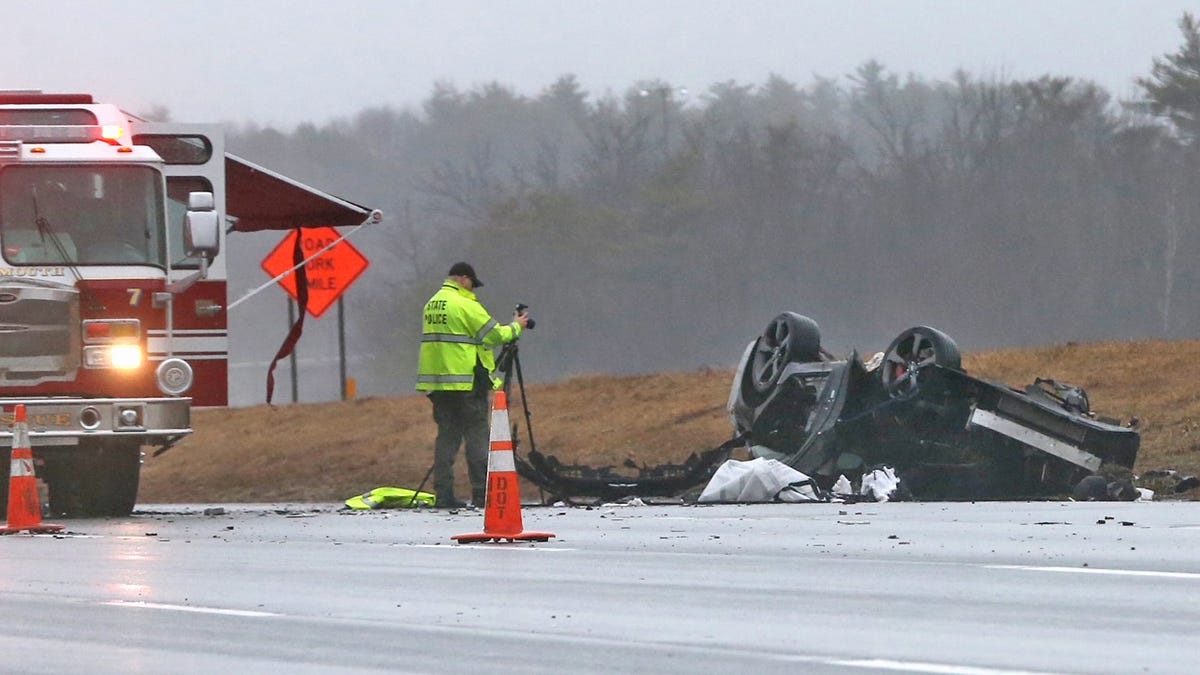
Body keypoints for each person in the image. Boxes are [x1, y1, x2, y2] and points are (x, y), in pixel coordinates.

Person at [416, 262, 528, 508]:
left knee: (446, 438)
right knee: (477, 438)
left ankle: (443, 495)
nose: (473, 290)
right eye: (472, 285)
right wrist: (516, 327)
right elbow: (495, 335)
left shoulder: (431, 304)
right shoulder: (465, 304)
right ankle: (481, 494)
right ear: (464, 279)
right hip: (467, 383)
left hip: (438, 385)